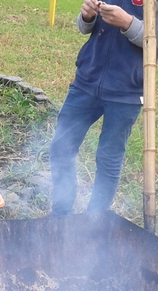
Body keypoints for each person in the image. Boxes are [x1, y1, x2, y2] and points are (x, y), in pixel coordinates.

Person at [49, 0, 158, 216]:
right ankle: (60, 214)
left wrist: (128, 23)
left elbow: (153, 45)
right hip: (86, 82)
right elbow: (84, 27)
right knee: (61, 147)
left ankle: (94, 220)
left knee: (108, 158)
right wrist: (87, 16)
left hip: (127, 91)